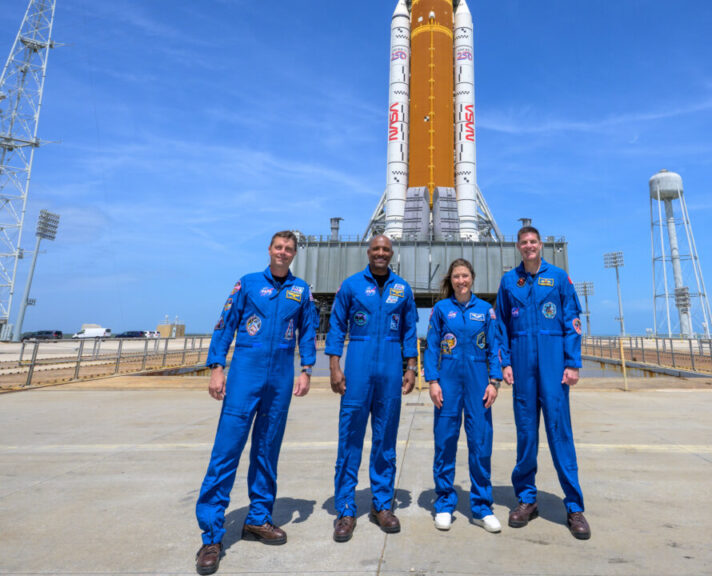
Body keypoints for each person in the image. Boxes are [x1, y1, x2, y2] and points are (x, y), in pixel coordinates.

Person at [194, 231, 318, 575]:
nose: (283, 252)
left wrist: (306, 369)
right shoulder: (247, 284)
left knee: (267, 450)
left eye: (289, 249)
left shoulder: (301, 291)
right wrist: (217, 367)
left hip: (280, 378)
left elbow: (308, 331)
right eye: (279, 247)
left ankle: (258, 519)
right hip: (244, 374)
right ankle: (211, 536)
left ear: (294, 254)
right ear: (270, 250)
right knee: (226, 452)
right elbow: (225, 325)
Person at [494, 225, 591, 540]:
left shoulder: (559, 278)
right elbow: (501, 327)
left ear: (541, 245)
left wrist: (572, 363)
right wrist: (505, 363)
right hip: (522, 366)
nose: (529, 246)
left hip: (553, 366)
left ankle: (574, 507)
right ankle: (526, 499)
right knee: (526, 435)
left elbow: (571, 320)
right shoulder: (509, 281)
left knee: (560, 435)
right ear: (518, 247)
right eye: (523, 242)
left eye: (533, 241)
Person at [325, 234, 418, 542]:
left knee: (385, 440)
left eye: (386, 250)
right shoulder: (351, 286)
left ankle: (382, 505)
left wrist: (411, 367)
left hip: (390, 369)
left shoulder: (402, 289)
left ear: (392, 254)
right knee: (349, 438)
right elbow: (337, 326)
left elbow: (408, 330)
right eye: (376, 248)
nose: (381, 253)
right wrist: (334, 366)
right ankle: (346, 509)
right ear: (369, 252)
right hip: (358, 367)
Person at [424, 258, 504, 533]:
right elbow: (432, 347)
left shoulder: (486, 310)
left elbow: (495, 348)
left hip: (478, 381)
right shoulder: (441, 310)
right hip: (447, 381)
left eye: (465, 276)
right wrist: (432, 381)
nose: (461, 281)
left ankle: (482, 507)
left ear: (473, 278)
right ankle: (445, 503)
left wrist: (494, 382)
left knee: (480, 443)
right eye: (457, 276)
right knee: (445, 441)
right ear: (451, 279)